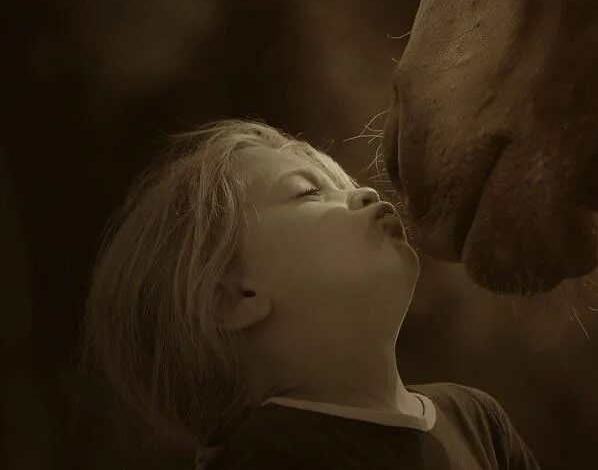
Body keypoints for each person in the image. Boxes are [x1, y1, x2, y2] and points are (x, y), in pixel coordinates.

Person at [79, 118, 541, 469]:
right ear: (236, 296)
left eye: (346, 183)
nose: (362, 193)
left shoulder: (479, 421)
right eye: (307, 192)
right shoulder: (259, 460)